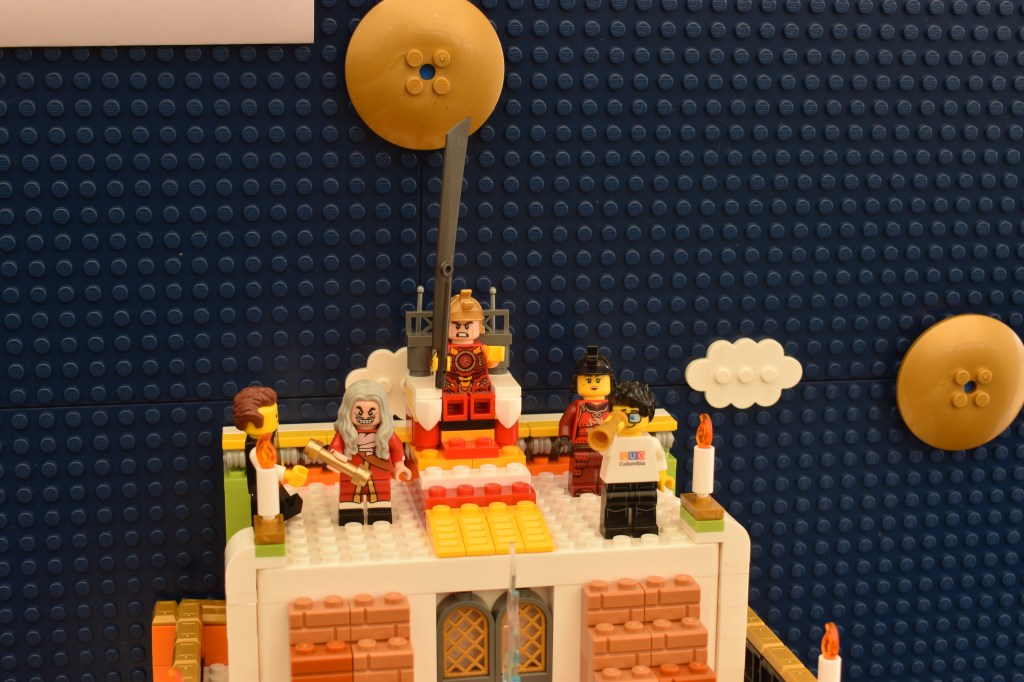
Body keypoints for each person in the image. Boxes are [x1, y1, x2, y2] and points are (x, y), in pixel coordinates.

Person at [589, 381, 674, 538]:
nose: (627, 421)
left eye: (633, 416)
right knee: (615, 505)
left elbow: (659, 460)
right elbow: (604, 450)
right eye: (620, 415)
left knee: (646, 505)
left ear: (648, 417)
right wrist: (607, 430)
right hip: (616, 483)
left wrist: (662, 477)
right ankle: (615, 526)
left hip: (646, 482)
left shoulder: (651, 442)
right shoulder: (613, 441)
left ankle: (644, 525)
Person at [329, 380, 411, 524]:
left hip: (379, 469)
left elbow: (397, 449)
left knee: (380, 490)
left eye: (372, 412)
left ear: (382, 411)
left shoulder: (386, 434)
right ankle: (350, 512)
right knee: (350, 491)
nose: (365, 416)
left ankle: (380, 511)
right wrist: (335, 457)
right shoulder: (345, 433)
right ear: (348, 410)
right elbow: (335, 448)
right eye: (359, 411)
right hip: (352, 470)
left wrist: (400, 467)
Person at [556, 346, 614, 496]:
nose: (593, 383)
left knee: (606, 469)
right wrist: (564, 438)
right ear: (577, 383)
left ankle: (603, 487)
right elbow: (565, 423)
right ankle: (583, 487)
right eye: (588, 380)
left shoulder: (613, 408)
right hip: (582, 447)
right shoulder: (576, 407)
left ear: (610, 382)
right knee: (581, 470)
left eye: (598, 380)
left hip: (606, 447)